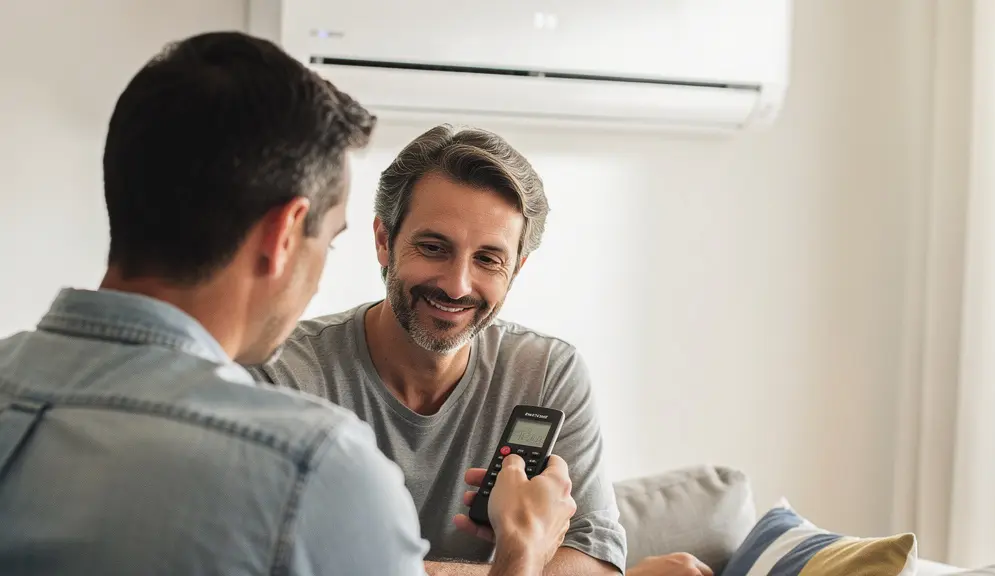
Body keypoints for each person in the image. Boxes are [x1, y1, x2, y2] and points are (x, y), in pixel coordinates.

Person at [0, 31, 578, 576]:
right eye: (329, 239)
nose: (456, 285)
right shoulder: (312, 466)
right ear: (284, 237)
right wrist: (520, 554)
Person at [246, 124, 714, 576]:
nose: (457, 285)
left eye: (489, 259)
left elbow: (594, 564)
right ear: (384, 241)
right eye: (433, 248)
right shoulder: (282, 374)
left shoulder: (548, 373)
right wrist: (518, 557)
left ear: (517, 268)